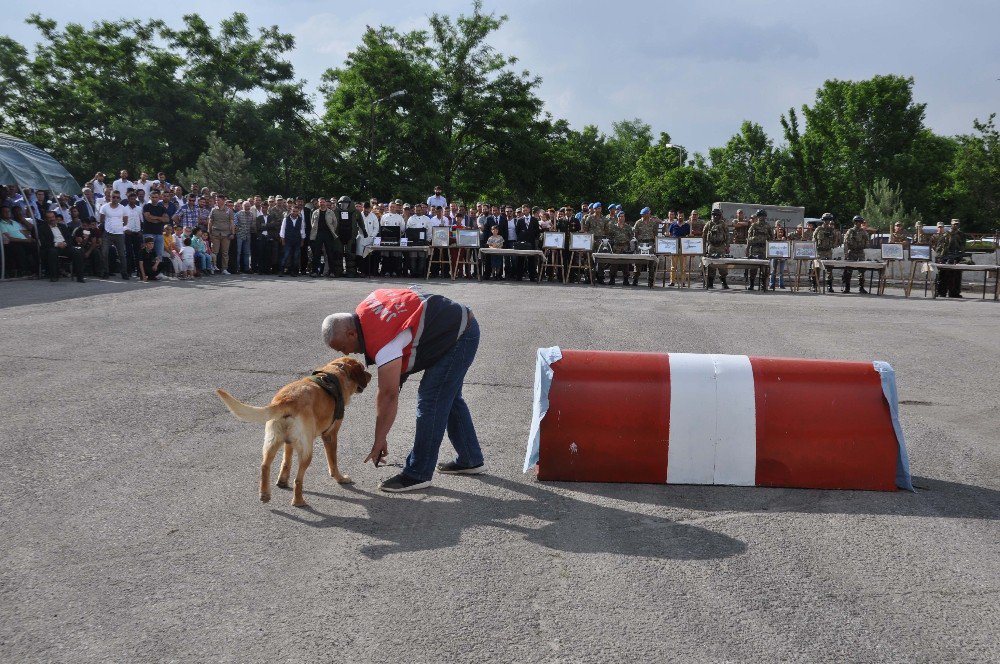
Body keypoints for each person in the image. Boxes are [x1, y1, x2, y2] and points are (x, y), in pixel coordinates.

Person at [322, 288, 484, 493]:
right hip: (453, 323)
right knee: (448, 397)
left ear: (351, 333)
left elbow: (388, 394)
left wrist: (379, 439)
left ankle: (418, 473)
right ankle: (470, 458)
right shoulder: (366, 308)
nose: (346, 353)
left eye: (342, 347)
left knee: (431, 399)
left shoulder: (382, 340)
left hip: (460, 335)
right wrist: (382, 433)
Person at [38, 210, 85, 282]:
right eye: (49, 218)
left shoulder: (62, 226)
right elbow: (44, 242)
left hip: (65, 246)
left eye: (53, 217)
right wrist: (57, 244)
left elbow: (69, 238)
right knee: (52, 252)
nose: (52, 219)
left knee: (77, 251)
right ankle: (54, 276)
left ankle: (80, 277)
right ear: (46, 219)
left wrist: (65, 243)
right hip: (53, 247)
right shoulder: (42, 228)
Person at [99, 192, 131, 279]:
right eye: (114, 197)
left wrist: (118, 226)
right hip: (107, 233)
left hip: (119, 234)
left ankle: (124, 273)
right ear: (110, 197)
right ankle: (105, 272)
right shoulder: (104, 207)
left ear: (119, 198)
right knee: (104, 253)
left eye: (117, 197)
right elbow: (101, 219)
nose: (115, 199)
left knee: (122, 254)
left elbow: (125, 221)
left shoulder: (123, 208)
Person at [702, 208, 730, 289]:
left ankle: (723, 282)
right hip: (711, 246)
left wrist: (727, 246)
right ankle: (710, 282)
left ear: (720, 216)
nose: (715, 216)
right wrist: (704, 249)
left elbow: (728, 235)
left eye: (717, 215)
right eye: (714, 215)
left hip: (721, 246)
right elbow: (704, 236)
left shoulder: (723, 224)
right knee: (711, 265)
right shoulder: (709, 224)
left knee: (722, 265)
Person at [842, 215, 870, 294]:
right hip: (852, 252)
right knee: (848, 270)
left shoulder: (864, 232)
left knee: (862, 271)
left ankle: (861, 287)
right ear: (854, 222)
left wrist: (865, 244)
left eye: (860, 222)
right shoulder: (850, 231)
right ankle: (847, 288)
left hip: (860, 252)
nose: (858, 223)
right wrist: (846, 253)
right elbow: (846, 243)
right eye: (857, 222)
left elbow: (867, 242)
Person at [309, 198, 337, 277]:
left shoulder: (330, 212)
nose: (322, 203)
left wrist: (332, 230)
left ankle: (332, 272)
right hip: (318, 234)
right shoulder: (315, 212)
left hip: (328, 234)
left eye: (323, 202)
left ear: (325, 203)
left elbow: (335, 223)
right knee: (316, 253)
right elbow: (312, 223)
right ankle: (315, 271)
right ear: (318, 203)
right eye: (320, 202)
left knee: (330, 253)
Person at [746, 210, 773, 291]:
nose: (762, 217)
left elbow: (771, 238)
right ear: (757, 217)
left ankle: (763, 285)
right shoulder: (753, 226)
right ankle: (751, 285)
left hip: (764, 249)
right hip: (755, 249)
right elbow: (748, 238)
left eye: (763, 216)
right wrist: (747, 249)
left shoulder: (768, 226)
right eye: (760, 216)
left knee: (764, 268)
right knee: (753, 268)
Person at [208, 196, 234, 275]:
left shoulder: (229, 211)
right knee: (214, 252)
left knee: (225, 253)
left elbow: (232, 223)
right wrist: (209, 232)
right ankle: (212, 268)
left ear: (223, 201)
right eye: (216, 200)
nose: (216, 201)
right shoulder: (213, 210)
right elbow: (210, 221)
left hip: (226, 234)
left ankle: (224, 269)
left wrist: (233, 233)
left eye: (218, 200)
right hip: (215, 234)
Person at [631, 207, 657, 286]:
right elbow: (635, 233)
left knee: (651, 263)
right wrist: (639, 240)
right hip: (641, 244)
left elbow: (655, 232)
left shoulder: (653, 222)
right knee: (638, 262)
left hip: (650, 243)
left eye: (645, 214)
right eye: (643, 214)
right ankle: (635, 280)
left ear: (649, 214)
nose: (644, 216)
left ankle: (650, 281)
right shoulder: (638, 222)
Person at [607, 212, 635, 286]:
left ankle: (626, 280)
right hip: (616, 247)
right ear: (617, 218)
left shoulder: (628, 227)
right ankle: (612, 279)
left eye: (622, 216)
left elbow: (631, 236)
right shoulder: (614, 227)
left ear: (624, 218)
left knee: (625, 264)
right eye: (620, 217)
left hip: (625, 247)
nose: (621, 218)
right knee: (614, 264)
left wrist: (626, 241)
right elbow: (610, 236)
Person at [279, 203, 306, 277]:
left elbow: (302, 231)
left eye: (296, 211)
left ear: (298, 212)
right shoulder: (286, 219)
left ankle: (293, 271)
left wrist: (302, 241)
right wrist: (283, 240)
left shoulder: (301, 220)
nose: (295, 213)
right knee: (286, 256)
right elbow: (282, 230)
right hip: (288, 240)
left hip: (297, 240)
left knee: (296, 257)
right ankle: (281, 271)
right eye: (293, 211)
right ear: (291, 211)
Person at [813, 213, 838, 292]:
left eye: (829, 220)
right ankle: (815, 285)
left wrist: (833, 245)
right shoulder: (819, 229)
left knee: (829, 269)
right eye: (826, 220)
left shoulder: (832, 230)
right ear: (823, 220)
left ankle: (829, 286)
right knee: (816, 269)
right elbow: (813, 240)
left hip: (828, 251)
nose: (827, 221)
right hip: (819, 251)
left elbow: (835, 239)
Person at [668, 211, 692, 287]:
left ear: (684, 217)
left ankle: (683, 282)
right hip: (674, 248)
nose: (680, 217)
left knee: (683, 266)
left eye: (682, 216)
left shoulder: (687, 226)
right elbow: (670, 234)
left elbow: (689, 235)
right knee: (673, 266)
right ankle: (672, 281)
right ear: (677, 216)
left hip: (683, 248)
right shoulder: (673, 225)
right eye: (679, 216)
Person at [234, 200, 257, 274]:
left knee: (247, 253)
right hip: (240, 235)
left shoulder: (251, 214)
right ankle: (237, 268)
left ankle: (246, 268)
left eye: (248, 206)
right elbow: (235, 224)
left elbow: (251, 225)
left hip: (248, 236)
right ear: (242, 206)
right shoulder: (238, 214)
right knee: (238, 252)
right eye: (245, 206)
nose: (247, 208)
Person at [769, 225, 788, 289]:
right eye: (779, 232)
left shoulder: (785, 240)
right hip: (774, 256)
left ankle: (781, 284)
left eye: (781, 232)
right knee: (773, 271)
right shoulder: (773, 239)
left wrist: (784, 241)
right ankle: (772, 284)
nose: (780, 233)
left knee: (781, 272)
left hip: (782, 257)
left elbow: (786, 248)